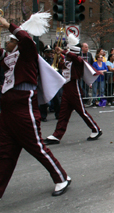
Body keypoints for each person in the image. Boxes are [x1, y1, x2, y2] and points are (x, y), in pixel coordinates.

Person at [0, 16, 71, 198]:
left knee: (36, 147)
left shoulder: (28, 52)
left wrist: (7, 24)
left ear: (16, 43)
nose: (7, 43)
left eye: (9, 41)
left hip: (24, 106)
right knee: (5, 152)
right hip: (8, 108)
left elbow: (25, 39)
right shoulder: (11, 57)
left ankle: (61, 177)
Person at [43, 44, 102, 145]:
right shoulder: (67, 62)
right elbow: (58, 65)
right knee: (63, 114)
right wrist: (57, 55)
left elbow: (75, 58)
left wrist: (63, 51)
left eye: (68, 53)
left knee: (82, 112)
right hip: (66, 90)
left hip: (75, 89)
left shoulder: (78, 61)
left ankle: (96, 129)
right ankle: (57, 135)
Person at [39, 45, 61, 121]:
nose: (49, 53)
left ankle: (58, 114)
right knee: (44, 100)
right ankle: (43, 115)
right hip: (45, 83)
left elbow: (59, 71)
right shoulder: (42, 61)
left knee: (57, 100)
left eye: (50, 52)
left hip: (53, 83)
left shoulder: (54, 61)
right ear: (44, 53)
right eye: (47, 52)